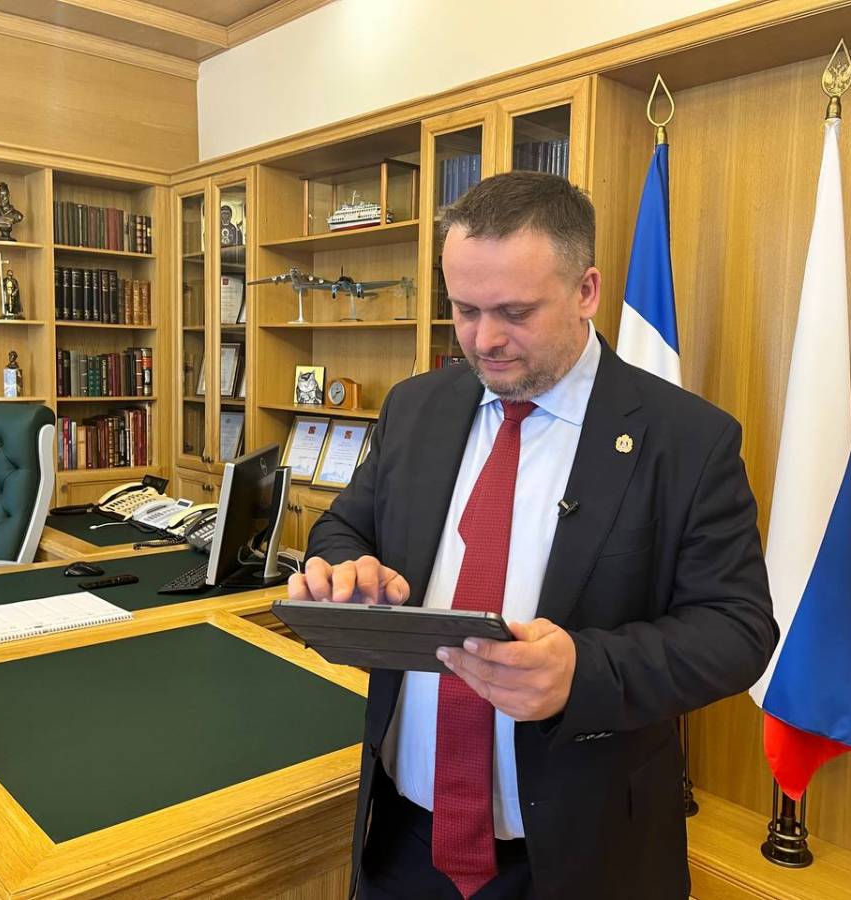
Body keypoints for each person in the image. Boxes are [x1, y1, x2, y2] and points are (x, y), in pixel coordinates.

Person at [289, 172, 777, 900]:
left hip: (584, 857)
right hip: (401, 843)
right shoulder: (416, 407)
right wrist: (345, 564)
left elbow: (738, 631)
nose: (484, 340)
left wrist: (585, 670)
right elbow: (345, 525)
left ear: (586, 291)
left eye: (515, 312)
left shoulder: (687, 439)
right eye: (464, 310)